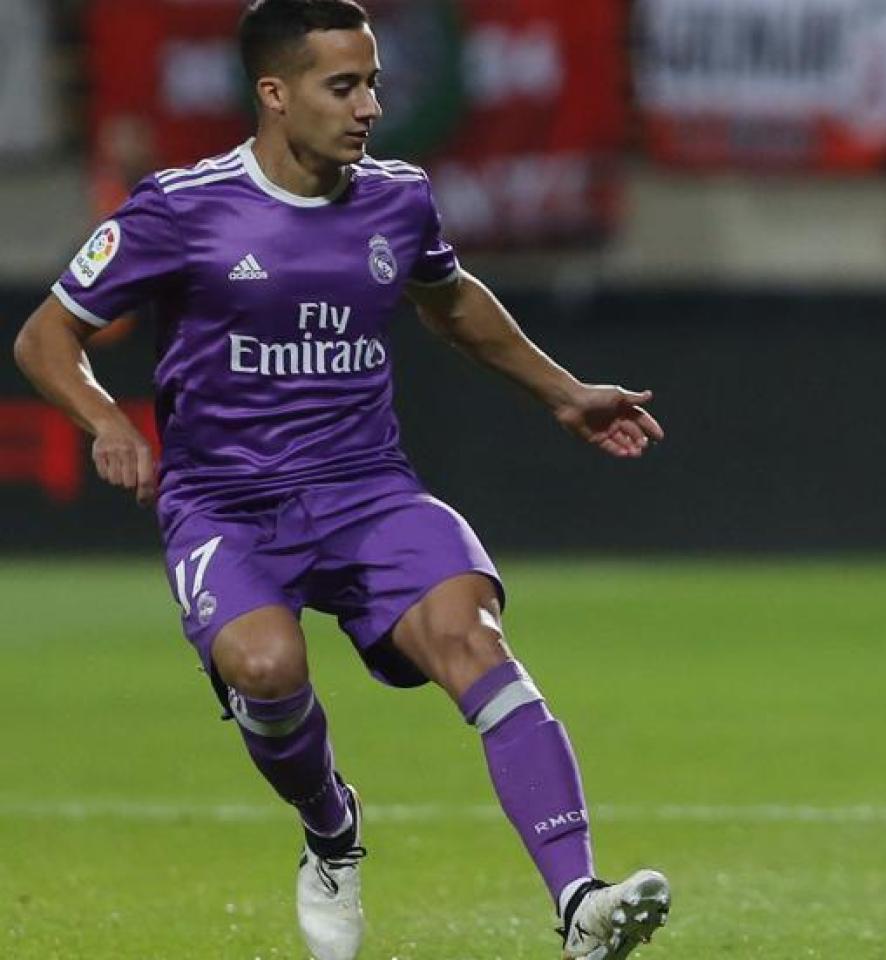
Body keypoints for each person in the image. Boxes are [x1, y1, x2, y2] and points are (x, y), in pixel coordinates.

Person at [11, 3, 670, 958]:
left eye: (373, 84)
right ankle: (331, 831)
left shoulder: (397, 199)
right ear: (275, 94)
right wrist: (106, 421)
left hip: (368, 492)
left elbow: (451, 305)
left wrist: (563, 392)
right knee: (268, 671)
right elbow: (46, 337)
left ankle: (581, 906)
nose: (368, 105)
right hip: (226, 505)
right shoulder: (181, 207)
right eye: (344, 85)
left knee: (474, 638)